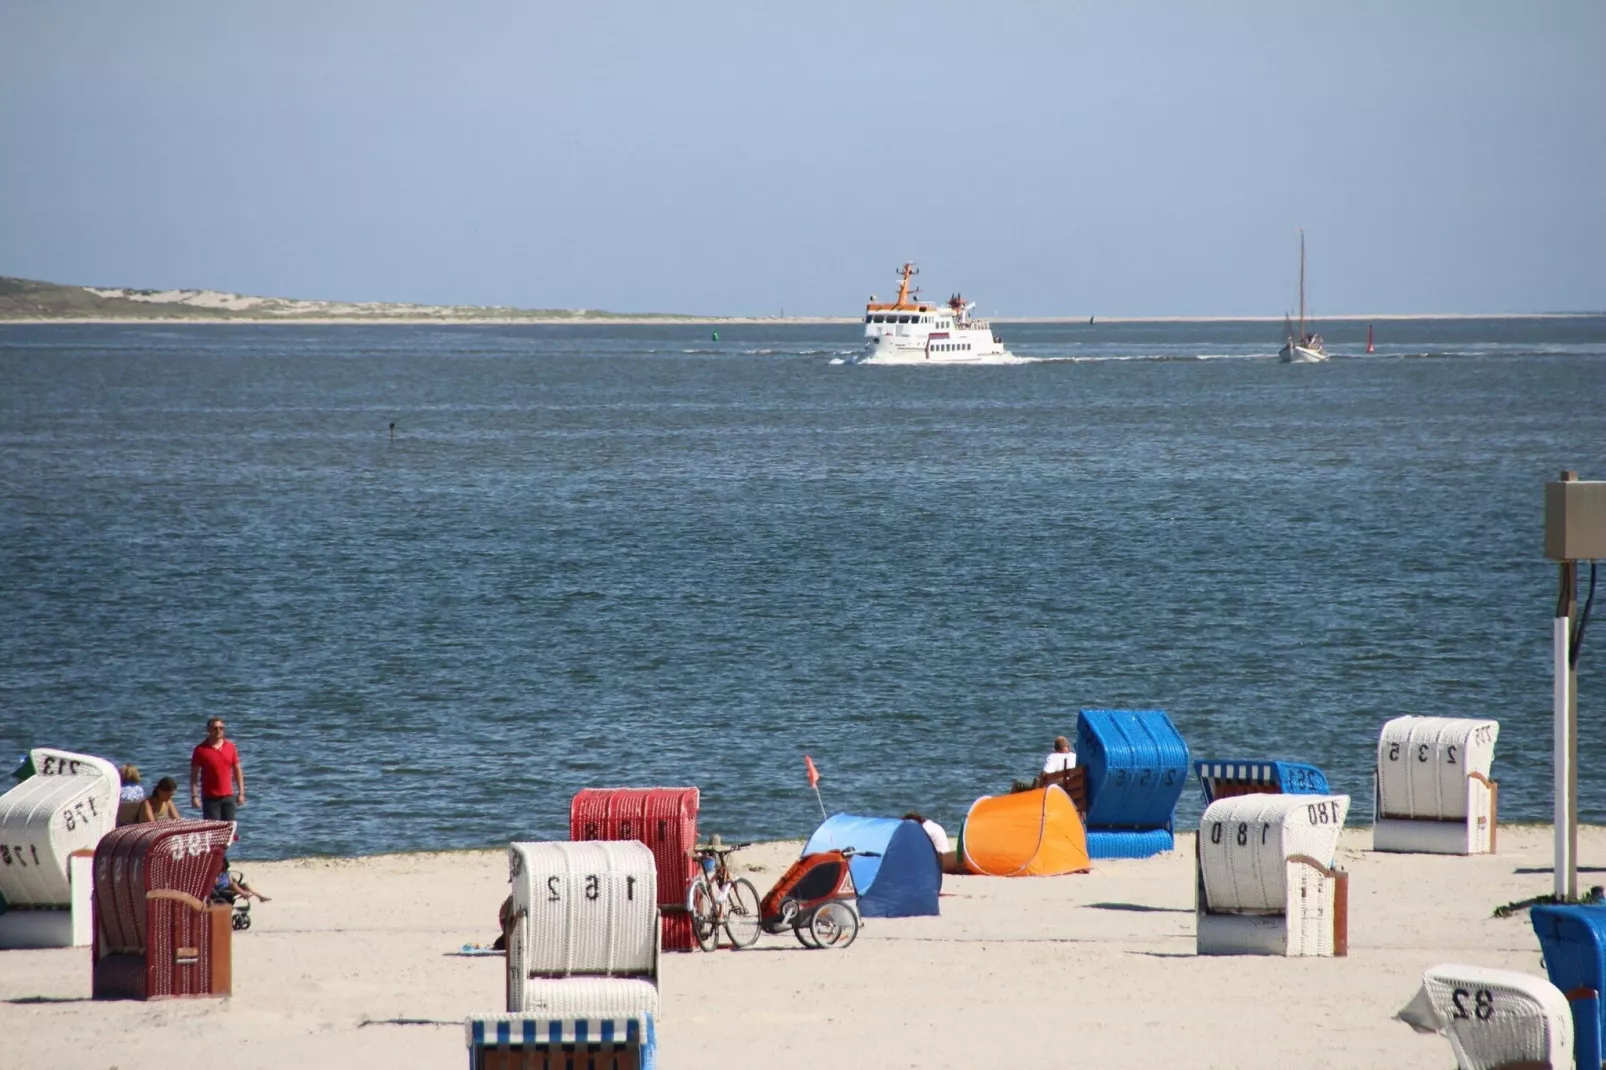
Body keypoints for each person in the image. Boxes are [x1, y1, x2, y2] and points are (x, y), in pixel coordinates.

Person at [190, 717, 246, 822]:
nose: (218, 731)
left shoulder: (230, 747)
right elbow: (194, 775)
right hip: (210, 798)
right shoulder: (200, 750)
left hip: (228, 797)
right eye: (215, 728)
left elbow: (237, 771)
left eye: (221, 728)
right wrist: (194, 796)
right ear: (208, 730)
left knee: (229, 830)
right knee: (214, 832)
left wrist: (241, 792)